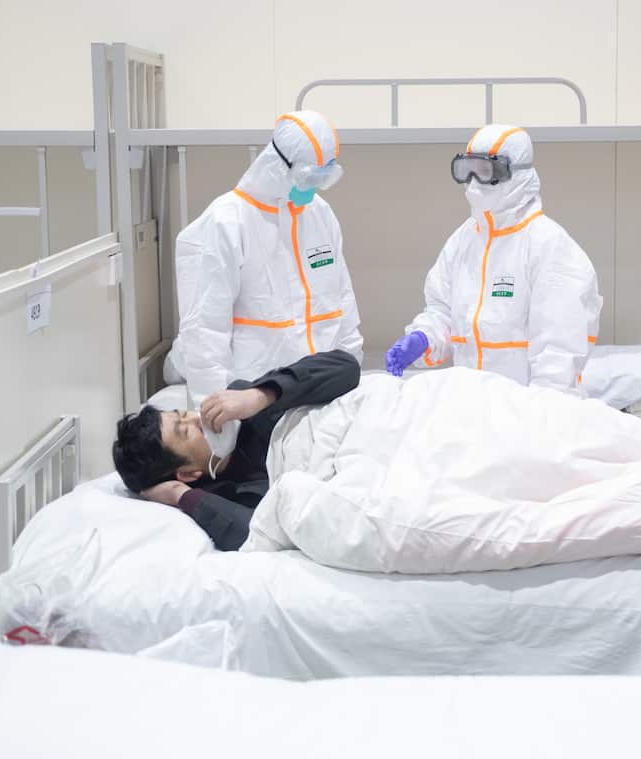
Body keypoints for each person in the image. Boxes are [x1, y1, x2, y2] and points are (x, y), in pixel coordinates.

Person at [165, 110, 363, 460]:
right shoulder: (226, 223)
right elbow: (204, 335)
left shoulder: (320, 215)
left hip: (325, 395)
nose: (313, 187)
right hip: (259, 409)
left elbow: (341, 300)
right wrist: (221, 437)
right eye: (308, 177)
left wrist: (351, 369)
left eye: (323, 177)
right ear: (277, 165)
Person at [384, 124, 602, 393]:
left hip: (525, 406)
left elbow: (559, 352)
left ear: (515, 174)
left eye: (485, 171)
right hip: (472, 402)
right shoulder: (464, 240)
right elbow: (443, 313)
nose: (474, 182)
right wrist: (424, 338)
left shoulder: (549, 245)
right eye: (466, 170)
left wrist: (542, 410)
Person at [114, 350, 360, 551]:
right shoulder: (222, 500)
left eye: (183, 413)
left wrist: (260, 395)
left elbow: (346, 367)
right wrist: (180, 495)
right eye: (186, 431)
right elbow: (257, 535)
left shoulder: (244, 404)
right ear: (188, 474)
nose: (197, 418)